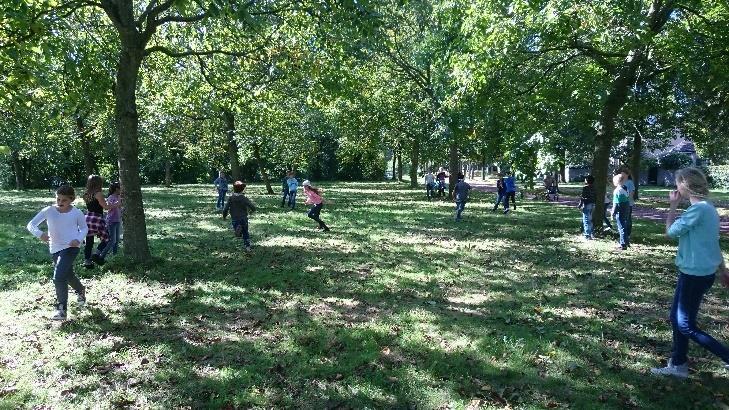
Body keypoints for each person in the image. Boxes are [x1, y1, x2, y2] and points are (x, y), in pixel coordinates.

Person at [651, 167, 729, 378]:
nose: (675, 187)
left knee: (685, 324)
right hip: (698, 272)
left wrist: (673, 206)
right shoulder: (709, 208)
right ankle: (678, 364)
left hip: (695, 274)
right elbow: (711, 242)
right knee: (676, 319)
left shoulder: (699, 210)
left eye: (677, 183)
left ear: (685, 185)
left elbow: (670, 232)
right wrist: (723, 270)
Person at [26, 185, 88, 320]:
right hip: (54, 247)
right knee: (68, 274)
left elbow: (84, 228)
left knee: (59, 276)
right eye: (58, 199)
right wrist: (40, 234)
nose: (60, 203)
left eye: (64, 200)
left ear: (71, 199)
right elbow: (31, 224)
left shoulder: (77, 213)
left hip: (71, 247)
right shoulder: (48, 210)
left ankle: (61, 310)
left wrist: (78, 239)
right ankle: (81, 290)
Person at [83, 175, 117, 268]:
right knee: (107, 239)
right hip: (97, 218)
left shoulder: (86, 194)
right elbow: (105, 206)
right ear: (98, 183)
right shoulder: (98, 194)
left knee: (89, 241)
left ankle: (87, 262)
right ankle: (96, 254)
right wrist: (117, 204)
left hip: (87, 218)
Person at [222, 181, 257, 251]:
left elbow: (225, 209)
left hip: (234, 218)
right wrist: (250, 212)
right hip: (243, 218)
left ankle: (237, 228)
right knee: (245, 232)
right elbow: (253, 207)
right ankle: (247, 247)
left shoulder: (231, 198)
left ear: (234, 189)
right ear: (242, 189)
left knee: (237, 227)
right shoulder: (243, 198)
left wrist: (224, 216)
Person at [96, 182, 122, 261]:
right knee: (112, 240)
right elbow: (110, 207)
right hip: (111, 221)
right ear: (117, 189)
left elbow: (120, 208)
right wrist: (119, 201)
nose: (121, 190)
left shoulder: (118, 197)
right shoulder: (111, 197)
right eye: (120, 188)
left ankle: (115, 255)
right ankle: (101, 256)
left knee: (117, 240)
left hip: (118, 220)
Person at [610, 173, 630, 250]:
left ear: (616, 181)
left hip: (620, 209)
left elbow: (615, 203)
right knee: (624, 225)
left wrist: (612, 213)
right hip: (626, 207)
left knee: (621, 227)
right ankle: (626, 241)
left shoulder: (617, 191)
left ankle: (623, 244)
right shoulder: (625, 188)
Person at [618, 167, 635, 241]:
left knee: (627, 219)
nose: (622, 175)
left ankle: (627, 234)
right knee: (622, 219)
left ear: (627, 174)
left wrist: (627, 200)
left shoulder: (630, 182)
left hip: (628, 203)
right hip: (621, 203)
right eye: (621, 173)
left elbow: (631, 193)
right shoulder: (621, 182)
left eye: (623, 174)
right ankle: (623, 235)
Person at [578, 175, 596, 240]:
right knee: (590, 219)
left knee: (586, 220)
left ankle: (587, 235)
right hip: (593, 204)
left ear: (587, 180)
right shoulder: (594, 188)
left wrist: (580, 205)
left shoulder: (585, 188)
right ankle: (591, 233)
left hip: (587, 204)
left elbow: (583, 197)